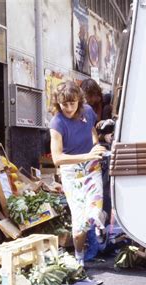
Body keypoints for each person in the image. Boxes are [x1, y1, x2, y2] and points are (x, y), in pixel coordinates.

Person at [49, 81, 106, 267]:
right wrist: (87, 155)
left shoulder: (88, 111)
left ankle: (100, 221)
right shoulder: (57, 122)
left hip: (91, 168)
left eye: (72, 103)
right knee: (79, 223)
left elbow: (91, 131)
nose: (68, 108)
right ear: (58, 103)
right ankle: (79, 257)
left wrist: (96, 145)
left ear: (79, 101)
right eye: (64, 104)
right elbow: (57, 158)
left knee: (95, 210)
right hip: (71, 173)